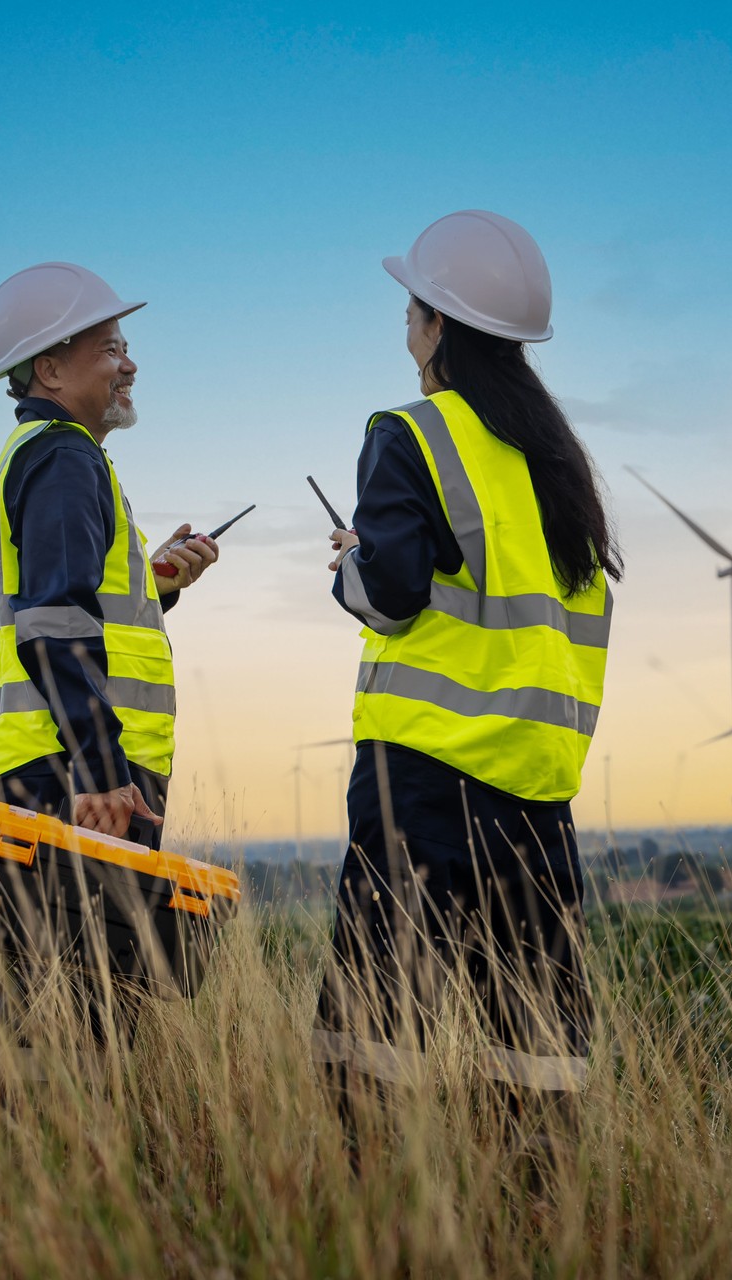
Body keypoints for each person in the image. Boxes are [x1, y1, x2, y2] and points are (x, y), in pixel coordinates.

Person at [311, 212, 620, 1173]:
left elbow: (393, 596)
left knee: (371, 1032)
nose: (407, 336)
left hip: (426, 780)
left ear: (439, 324)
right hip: (536, 788)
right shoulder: (557, 463)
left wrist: (352, 566)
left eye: (412, 315)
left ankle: (375, 1221)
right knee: (530, 1044)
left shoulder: (409, 435)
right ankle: (530, 1219)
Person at [0, 261, 219, 1047]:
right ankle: (75, 1159)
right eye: (110, 348)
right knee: (97, 1007)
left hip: (47, 763)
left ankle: (44, 1159)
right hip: (77, 774)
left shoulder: (51, 457)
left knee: (54, 999)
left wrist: (160, 580)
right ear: (50, 367)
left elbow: (84, 604)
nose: (129, 363)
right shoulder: (65, 458)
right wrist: (102, 772)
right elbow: (53, 624)